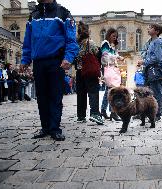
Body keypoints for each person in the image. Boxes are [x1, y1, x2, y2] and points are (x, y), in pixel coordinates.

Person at [20, 0, 79, 141]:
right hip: (39, 61)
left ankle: (54, 128)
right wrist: (25, 59)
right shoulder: (33, 14)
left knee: (55, 96)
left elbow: (71, 39)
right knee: (41, 96)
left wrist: (68, 57)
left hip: (56, 61)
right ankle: (45, 127)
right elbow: (28, 40)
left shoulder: (63, 13)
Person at [74, 21, 103, 125]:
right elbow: (98, 53)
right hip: (90, 71)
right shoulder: (90, 43)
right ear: (88, 31)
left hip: (79, 71)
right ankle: (95, 114)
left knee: (81, 94)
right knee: (93, 92)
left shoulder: (76, 44)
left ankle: (81, 116)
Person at [139, 23, 162, 121]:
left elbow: (157, 58)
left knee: (156, 92)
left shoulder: (157, 42)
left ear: (156, 31)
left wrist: (144, 61)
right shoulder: (151, 42)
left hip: (155, 70)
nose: (148, 29)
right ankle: (147, 113)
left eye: (150, 28)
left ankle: (157, 114)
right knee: (148, 92)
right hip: (149, 70)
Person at [100, 28, 123, 121]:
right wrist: (116, 57)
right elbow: (105, 57)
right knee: (113, 91)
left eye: (116, 36)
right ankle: (113, 112)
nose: (115, 38)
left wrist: (117, 57)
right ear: (109, 35)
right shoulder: (105, 43)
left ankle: (103, 110)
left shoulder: (112, 46)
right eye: (113, 36)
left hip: (111, 70)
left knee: (108, 91)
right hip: (109, 69)